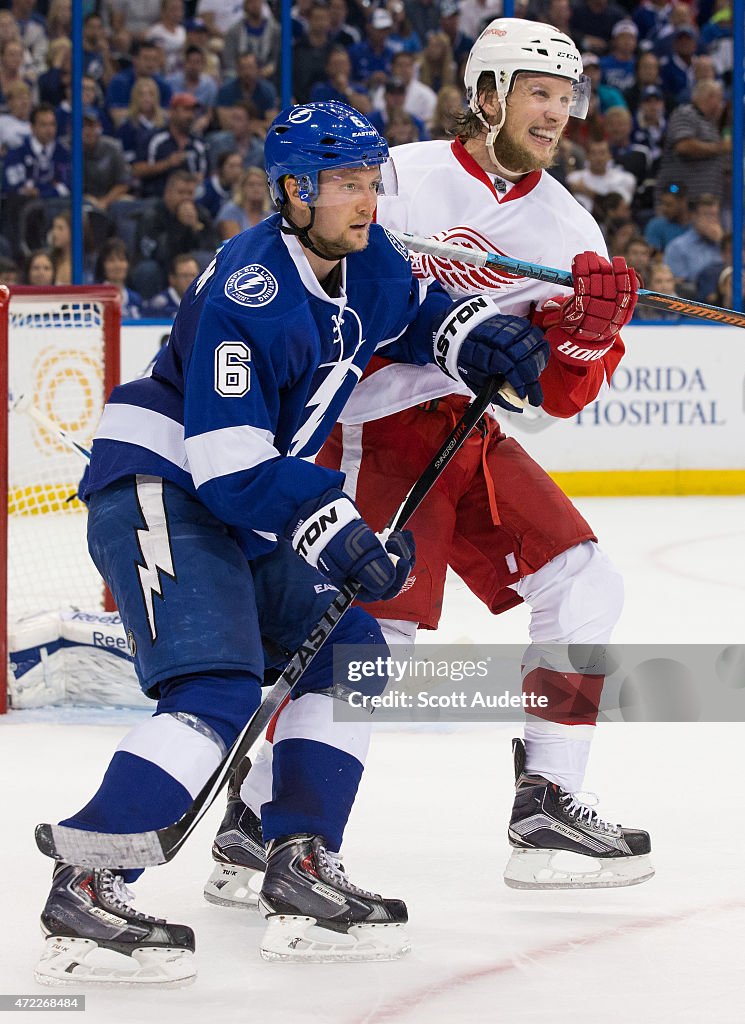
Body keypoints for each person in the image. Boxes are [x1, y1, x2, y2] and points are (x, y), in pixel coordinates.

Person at [35, 100, 548, 980]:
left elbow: (416, 315)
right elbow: (230, 466)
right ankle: (84, 886)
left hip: (239, 492)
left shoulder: (365, 257)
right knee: (217, 685)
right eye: (345, 184)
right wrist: (336, 527)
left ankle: (300, 859)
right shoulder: (249, 289)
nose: (364, 200)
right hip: (166, 484)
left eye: (366, 181)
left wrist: (480, 341)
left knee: (348, 654)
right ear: (293, 191)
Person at [214, 19, 652, 901]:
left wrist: (584, 338)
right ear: (486, 93)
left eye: (565, 98)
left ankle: (548, 797)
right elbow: (317, 291)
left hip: (467, 433)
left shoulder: (568, 223)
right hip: (373, 428)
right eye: (537, 91)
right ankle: (259, 820)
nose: (556, 113)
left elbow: (561, 400)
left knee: (584, 578)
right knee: (378, 644)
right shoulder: (398, 178)